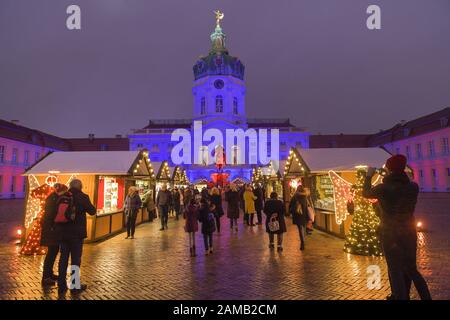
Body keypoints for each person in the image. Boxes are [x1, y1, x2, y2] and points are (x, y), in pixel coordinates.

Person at [363, 154, 431, 300]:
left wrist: (368, 176)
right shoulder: (413, 187)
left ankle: (399, 296)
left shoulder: (383, 188)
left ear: (389, 169)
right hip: (408, 232)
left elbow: (366, 193)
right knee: (412, 269)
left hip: (390, 233)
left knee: (395, 269)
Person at [55, 179, 96, 295]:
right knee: (75, 260)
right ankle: (74, 286)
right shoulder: (83, 197)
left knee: (63, 259)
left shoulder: (63, 197)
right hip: (76, 235)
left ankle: (61, 285)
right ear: (81, 187)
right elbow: (92, 211)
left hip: (63, 233)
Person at [41, 183, 68, 286]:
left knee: (53, 252)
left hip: (51, 230)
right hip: (51, 231)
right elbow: (51, 215)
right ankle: (46, 277)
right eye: (65, 191)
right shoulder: (54, 200)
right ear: (61, 191)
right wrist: (53, 226)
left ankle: (49, 274)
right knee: (51, 254)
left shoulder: (53, 198)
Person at [289, 185, 308, 251]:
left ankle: (302, 242)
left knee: (300, 229)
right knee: (304, 227)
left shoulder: (295, 196)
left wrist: (291, 212)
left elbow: (290, 205)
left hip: (297, 215)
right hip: (304, 215)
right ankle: (304, 240)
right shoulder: (305, 196)